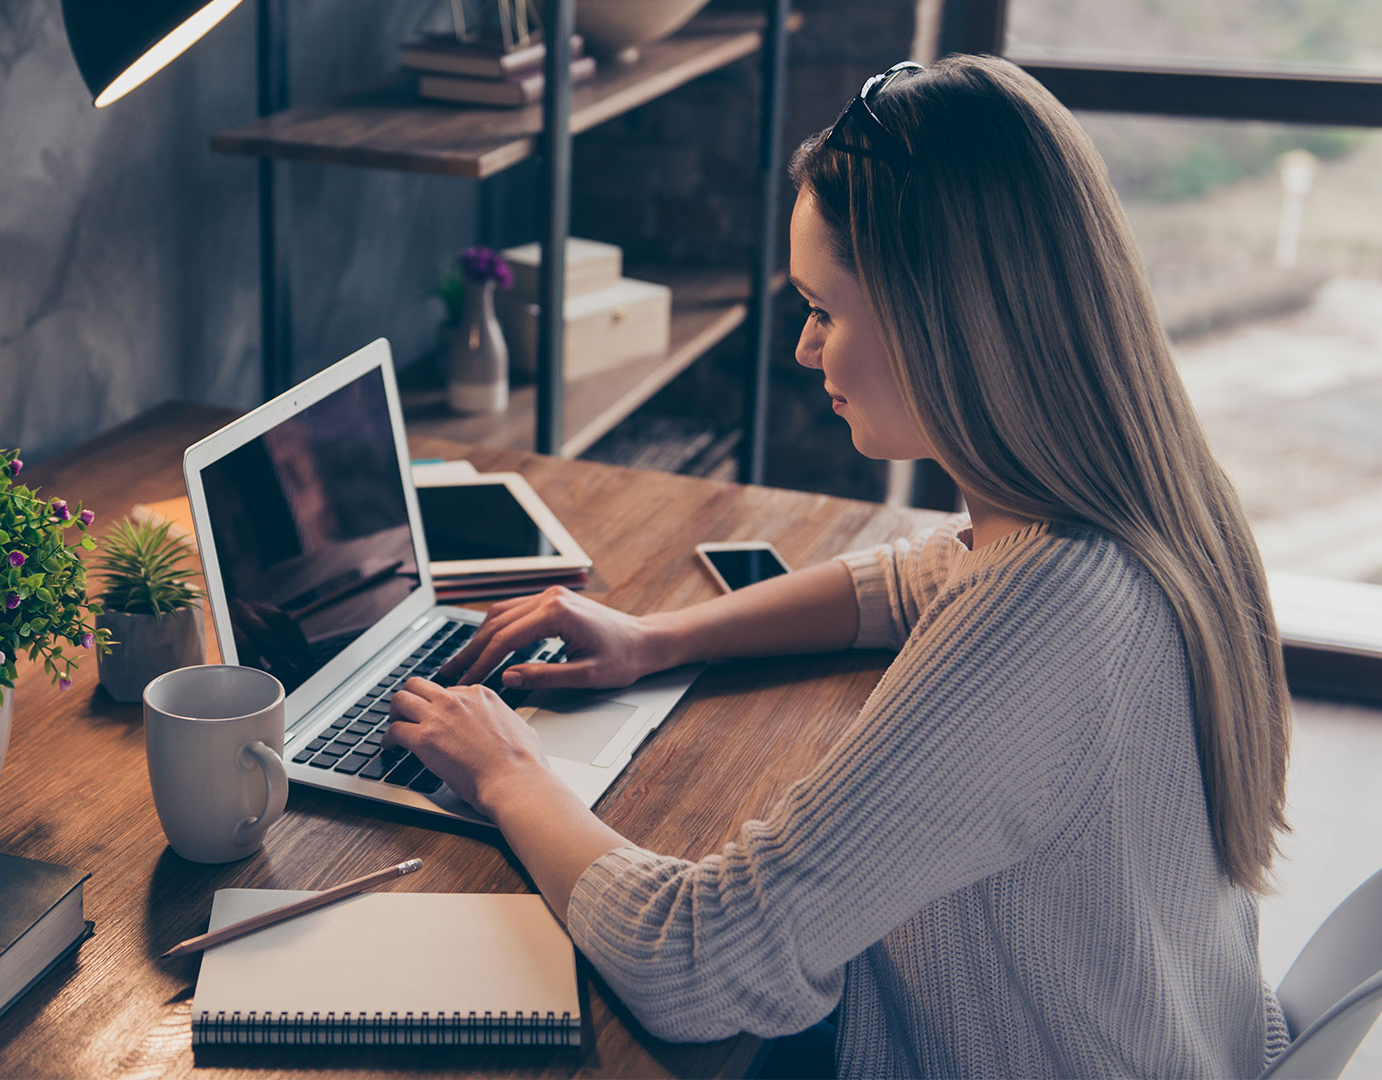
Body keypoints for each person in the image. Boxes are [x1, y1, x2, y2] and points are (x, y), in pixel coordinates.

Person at [384, 54, 1292, 1078]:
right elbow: (911, 579)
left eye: (825, 308)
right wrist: (657, 638)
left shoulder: (1045, 611)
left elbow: (703, 964)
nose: (807, 350)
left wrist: (510, 773)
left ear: (946, 320)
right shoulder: (1152, 501)